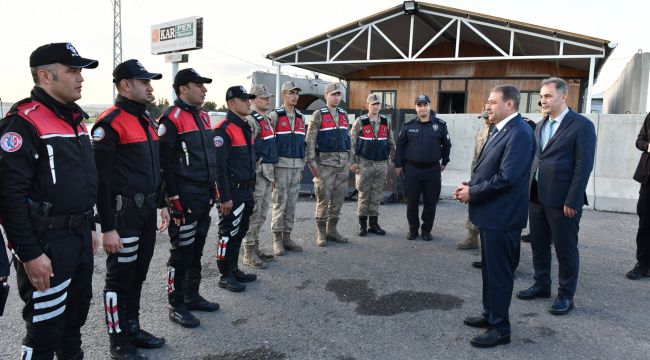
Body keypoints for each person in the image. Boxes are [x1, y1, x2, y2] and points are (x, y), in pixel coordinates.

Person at [0, 42, 99, 360]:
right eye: (72, 71)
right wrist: (29, 253)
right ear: (44, 75)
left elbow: (85, 181)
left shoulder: (76, 120)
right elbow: (8, 198)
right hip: (47, 245)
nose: (80, 77)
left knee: (73, 324)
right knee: (44, 333)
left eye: (80, 71)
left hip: (80, 237)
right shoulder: (23, 123)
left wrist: (93, 223)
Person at [93, 59, 169, 359]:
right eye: (144, 81)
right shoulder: (109, 122)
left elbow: (155, 169)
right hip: (123, 216)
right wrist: (108, 226)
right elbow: (100, 181)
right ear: (125, 85)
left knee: (137, 275)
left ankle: (133, 328)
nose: (150, 87)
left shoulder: (147, 119)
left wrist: (162, 203)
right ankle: (118, 341)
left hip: (146, 211)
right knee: (118, 280)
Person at [455, 84, 535, 348]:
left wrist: (473, 193)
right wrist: (470, 184)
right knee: (490, 271)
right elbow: (488, 169)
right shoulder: (500, 129)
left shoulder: (520, 133)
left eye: (492, 101)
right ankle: (490, 315)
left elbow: (507, 179)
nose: (487, 106)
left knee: (500, 275)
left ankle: (501, 329)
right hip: (491, 215)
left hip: (503, 217)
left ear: (509, 104)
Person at [516, 77, 596, 316]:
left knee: (565, 249)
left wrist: (572, 200)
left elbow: (583, 166)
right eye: (541, 96)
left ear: (563, 96)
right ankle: (542, 285)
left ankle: (565, 295)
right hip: (536, 195)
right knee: (539, 245)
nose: (543, 100)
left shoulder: (581, 125)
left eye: (548, 96)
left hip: (563, 201)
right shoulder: (540, 124)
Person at [158, 68, 220, 329]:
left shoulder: (204, 116)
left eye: (205, 85)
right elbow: (164, 165)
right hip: (184, 196)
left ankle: (191, 296)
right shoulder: (170, 119)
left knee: (196, 249)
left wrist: (214, 188)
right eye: (199, 85)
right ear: (183, 89)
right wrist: (172, 199)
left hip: (203, 194)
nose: (204, 89)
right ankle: (176, 304)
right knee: (181, 252)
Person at [213, 86, 258, 292]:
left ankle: (234, 269)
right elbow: (219, 168)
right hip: (232, 193)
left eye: (249, 99)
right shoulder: (223, 129)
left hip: (246, 191)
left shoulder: (245, 125)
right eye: (244, 100)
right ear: (231, 104)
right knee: (227, 233)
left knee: (239, 232)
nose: (249, 102)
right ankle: (224, 275)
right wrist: (224, 197)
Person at [395, 95, 451, 241]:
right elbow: (400, 146)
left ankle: (426, 230)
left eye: (424, 104)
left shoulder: (440, 125)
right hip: (412, 170)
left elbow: (447, 145)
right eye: (419, 105)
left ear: (429, 106)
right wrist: (398, 164)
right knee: (411, 202)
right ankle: (413, 229)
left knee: (430, 202)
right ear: (416, 107)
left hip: (432, 170)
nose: (422, 107)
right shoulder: (408, 126)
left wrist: (445, 161)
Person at [306, 83, 351, 246]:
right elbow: (310, 139)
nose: (337, 97)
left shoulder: (344, 114)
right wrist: (311, 162)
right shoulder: (318, 114)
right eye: (333, 94)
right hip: (325, 165)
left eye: (339, 94)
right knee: (323, 199)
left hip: (342, 165)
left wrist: (350, 160)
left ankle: (332, 230)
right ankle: (321, 233)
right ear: (326, 96)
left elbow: (349, 139)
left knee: (338, 199)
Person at [242, 84, 277, 268]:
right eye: (263, 97)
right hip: (257, 175)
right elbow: (248, 152)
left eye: (268, 96)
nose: (267, 100)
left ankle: (255, 247)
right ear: (252, 99)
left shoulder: (266, 119)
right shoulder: (250, 120)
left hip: (267, 174)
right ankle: (248, 252)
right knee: (254, 214)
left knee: (262, 214)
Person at [349, 93, 395, 236]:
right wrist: (352, 162)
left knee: (376, 195)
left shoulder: (385, 121)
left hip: (381, 163)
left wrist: (392, 160)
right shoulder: (360, 121)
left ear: (380, 106)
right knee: (363, 194)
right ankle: (362, 225)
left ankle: (373, 224)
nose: (375, 106)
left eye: (377, 104)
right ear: (367, 105)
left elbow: (391, 142)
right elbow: (352, 143)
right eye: (372, 104)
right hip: (364, 163)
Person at [268, 81, 306, 254]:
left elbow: (302, 143)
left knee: (291, 204)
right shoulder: (275, 116)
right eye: (291, 93)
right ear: (283, 95)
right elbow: (270, 145)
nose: (295, 96)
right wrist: (272, 170)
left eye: (296, 93)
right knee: (279, 203)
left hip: (296, 166)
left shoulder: (300, 116)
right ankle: (277, 240)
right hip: (281, 167)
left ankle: (287, 237)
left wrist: (302, 165)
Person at [458, 106, 492, 251]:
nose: (485, 120)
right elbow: (475, 158)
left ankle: (488, 244)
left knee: (491, 212)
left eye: (487, 117)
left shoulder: (505, 132)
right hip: (479, 176)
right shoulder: (481, 133)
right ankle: (472, 236)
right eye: (484, 118)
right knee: (476, 205)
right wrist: (472, 179)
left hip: (493, 178)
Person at [629, 112, 650, 280]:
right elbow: (639, 140)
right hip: (648, 179)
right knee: (645, 222)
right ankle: (643, 264)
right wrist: (647, 146)